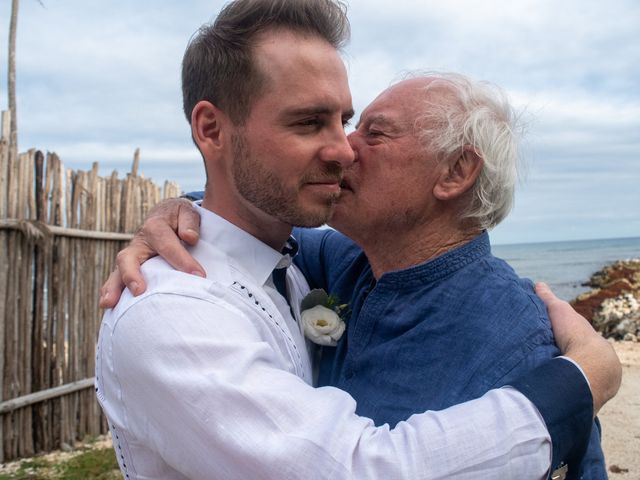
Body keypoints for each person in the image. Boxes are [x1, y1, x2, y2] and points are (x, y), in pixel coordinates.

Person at [97, 1, 621, 479]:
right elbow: (244, 217)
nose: (345, 149)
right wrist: (186, 209)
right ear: (211, 130)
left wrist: (574, 381)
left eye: (366, 129)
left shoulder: (520, 339)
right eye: (310, 122)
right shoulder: (320, 266)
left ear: (456, 171)